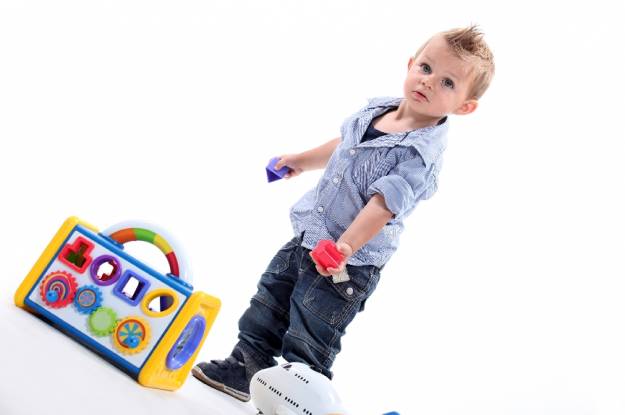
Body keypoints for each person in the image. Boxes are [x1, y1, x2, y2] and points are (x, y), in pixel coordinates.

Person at [192, 25, 495, 402]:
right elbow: (343, 146)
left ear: (465, 106)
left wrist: (346, 247)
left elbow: (382, 206)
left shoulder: (420, 156)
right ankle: (245, 365)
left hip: (348, 264)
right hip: (310, 233)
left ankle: (303, 396)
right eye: (426, 67)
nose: (429, 82)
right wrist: (300, 160)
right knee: (269, 300)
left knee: (312, 328)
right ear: (410, 64)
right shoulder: (377, 110)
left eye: (448, 83)